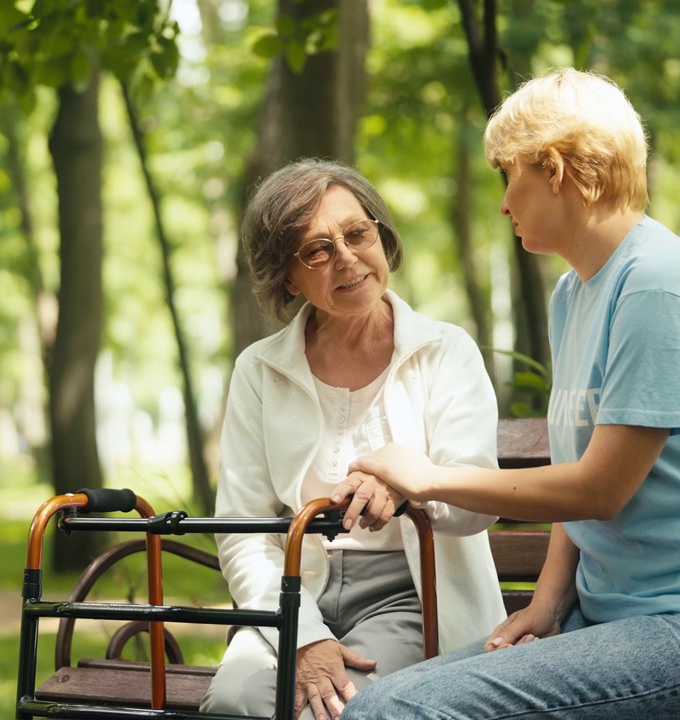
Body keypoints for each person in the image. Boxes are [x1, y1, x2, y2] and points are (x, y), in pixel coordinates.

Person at [336, 68, 680, 720]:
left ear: (554, 170)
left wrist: (427, 477)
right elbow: (578, 467)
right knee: (376, 704)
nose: (504, 202)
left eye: (509, 175)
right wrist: (548, 602)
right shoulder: (575, 291)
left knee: (397, 715)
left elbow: (598, 489)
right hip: (615, 620)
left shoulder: (657, 285)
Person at [200, 158, 507, 720]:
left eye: (356, 233)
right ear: (288, 277)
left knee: (341, 710)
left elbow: (477, 504)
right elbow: (242, 532)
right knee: (231, 703)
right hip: (295, 592)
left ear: (381, 238)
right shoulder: (259, 370)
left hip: (414, 593)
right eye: (316, 250)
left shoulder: (445, 351)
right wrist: (303, 637)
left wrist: (407, 483)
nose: (346, 258)